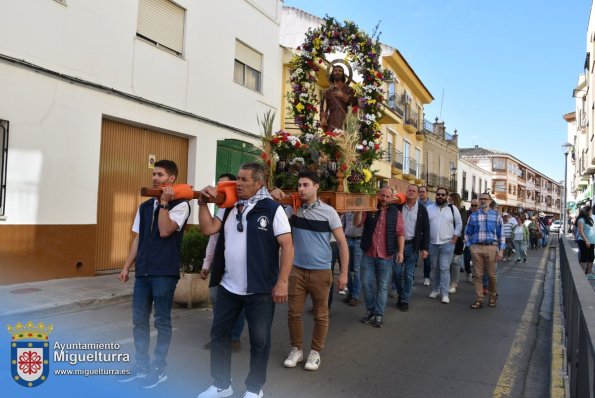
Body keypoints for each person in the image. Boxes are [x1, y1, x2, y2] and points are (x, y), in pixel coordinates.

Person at [196, 162, 294, 398]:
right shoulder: (228, 207)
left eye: (243, 180)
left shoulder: (272, 209)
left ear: (258, 183)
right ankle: (221, 384)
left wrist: (282, 282)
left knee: (260, 341)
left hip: (260, 290)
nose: (237, 184)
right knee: (219, 335)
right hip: (229, 287)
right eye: (237, 179)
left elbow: (288, 246)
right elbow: (208, 229)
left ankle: (254, 388)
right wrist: (201, 204)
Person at [118, 160, 190, 389]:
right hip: (144, 273)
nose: (155, 178)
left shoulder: (182, 205)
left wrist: (165, 204)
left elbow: (165, 230)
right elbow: (138, 238)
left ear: (171, 179)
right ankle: (141, 367)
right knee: (139, 321)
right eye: (154, 174)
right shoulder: (145, 206)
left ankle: (159, 369)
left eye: (160, 174)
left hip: (164, 273)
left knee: (161, 322)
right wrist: (127, 266)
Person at [280, 171, 348, 371]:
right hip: (297, 270)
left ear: (316, 186)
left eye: (305, 185)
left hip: (321, 271)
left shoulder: (329, 212)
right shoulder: (293, 210)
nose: (301, 189)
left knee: (321, 314)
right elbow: (277, 224)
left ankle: (315, 352)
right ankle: (297, 349)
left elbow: (342, 243)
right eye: (299, 185)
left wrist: (343, 273)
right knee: (293, 313)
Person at [200, 173, 245, 353]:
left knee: (239, 303)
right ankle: (219, 336)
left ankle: (234, 337)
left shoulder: (243, 207)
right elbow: (212, 237)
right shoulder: (222, 209)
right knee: (216, 298)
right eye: (219, 187)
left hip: (240, 267)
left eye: (226, 186)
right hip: (220, 262)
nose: (220, 190)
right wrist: (206, 264)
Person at [354, 186, 405, 327]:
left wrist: (400, 252)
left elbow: (400, 233)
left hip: (386, 256)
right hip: (368, 254)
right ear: (378, 195)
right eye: (382, 195)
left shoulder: (396, 213)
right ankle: (370, 310)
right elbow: (357, 223)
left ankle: (379, 314)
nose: (384, 199)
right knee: (365, 283)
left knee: (382, 286)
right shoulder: (370, 208)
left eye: (387, 196)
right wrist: (359, 210)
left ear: (391, 198)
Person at [465, 192, 505, 309]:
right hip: (476, 247)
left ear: (490, 201)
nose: (483, 201)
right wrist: (470, 246)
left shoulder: (497, 216)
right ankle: (479, 299)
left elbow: (501, 235)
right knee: (477, 275)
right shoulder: (473, 216)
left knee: (492, 275)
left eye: (485, 199)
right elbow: (467, 233)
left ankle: (492, 296)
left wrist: (501, 251)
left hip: (491, 247)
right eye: (481, 199)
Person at [392, 184, 430, 312]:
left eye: (414, 191)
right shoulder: (398, 207)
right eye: (409, 190)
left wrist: (425, 248)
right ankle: (401, 293)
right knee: (396, 272)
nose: (411, 192)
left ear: (418, 194)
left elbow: (426, 230)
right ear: (406, 192)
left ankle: (404, 300)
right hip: (398, 246)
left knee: (408, 275)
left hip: (413, 246)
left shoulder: (422, 210)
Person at [426, 187, 462, 304]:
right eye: (438, 194)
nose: (440, 196)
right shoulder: (429, 208)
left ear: (446, 196)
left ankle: (445, 294)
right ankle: (435, 290)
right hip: (432, 243)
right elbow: (425, 225)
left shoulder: (453, 209)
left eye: (443, 195)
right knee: (435, 268)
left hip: (447, 244)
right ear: (435, 195)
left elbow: (459, 224)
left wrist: (455, 238)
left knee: (444, 268)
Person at [320, 65, 355, 132]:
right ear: (332, 73)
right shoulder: (327, 92)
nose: (337, 72)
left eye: (340, 71)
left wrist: (343, 96)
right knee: (331, 141)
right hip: (332, 122)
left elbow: (354, 103)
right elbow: (323, 107)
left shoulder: (349, 90)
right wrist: (323, 118)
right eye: (335, 70)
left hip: (345, 121)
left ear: (342, 74)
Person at [342, 212, 364, 306]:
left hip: (358, 240)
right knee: (346, 269)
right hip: (347, 239)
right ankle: (350, 293)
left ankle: (355, 296)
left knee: (357, 269)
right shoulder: (346, 209)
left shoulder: (362, 210)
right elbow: (343, 224)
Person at [448, 192, 466, 294]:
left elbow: (462, 225)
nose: (449, 201)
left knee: (455, 262)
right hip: (446, 239)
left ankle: (454, 283)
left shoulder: (462, 211)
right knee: (447, 262)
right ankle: (448, 281)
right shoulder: (446, 209)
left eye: (451, 200)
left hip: (457, 239)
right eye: (448, 200)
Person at [418, 185, 434, 286]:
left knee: (427, 258)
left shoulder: (432, 205)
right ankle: (409, 276)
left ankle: (427, 276)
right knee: (413, 258)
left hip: (427, 234)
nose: (421, 193)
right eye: (420, 191)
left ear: (427, 193)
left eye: (423, 191)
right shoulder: (415, 203)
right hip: (417, 234)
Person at [576, 205, 595, 279]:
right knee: (584, 257)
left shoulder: (591, 218)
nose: (591, 212)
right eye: (590, 211)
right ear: (587, 212)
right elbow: (580, 232)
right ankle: (582, 274)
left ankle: (589, 273)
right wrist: (586, 240)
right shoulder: (581, 220)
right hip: (583, 241)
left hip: (592, 242)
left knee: (591, 257)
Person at [463, 199, 479, 283]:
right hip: (468, 241)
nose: (473, 207)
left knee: (476, 261)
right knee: (466, 259)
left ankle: (474, 276)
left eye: (475, 205)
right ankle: (468, 272)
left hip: (477, 242)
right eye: (472, 205)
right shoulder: (467, 213)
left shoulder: (481, 215)